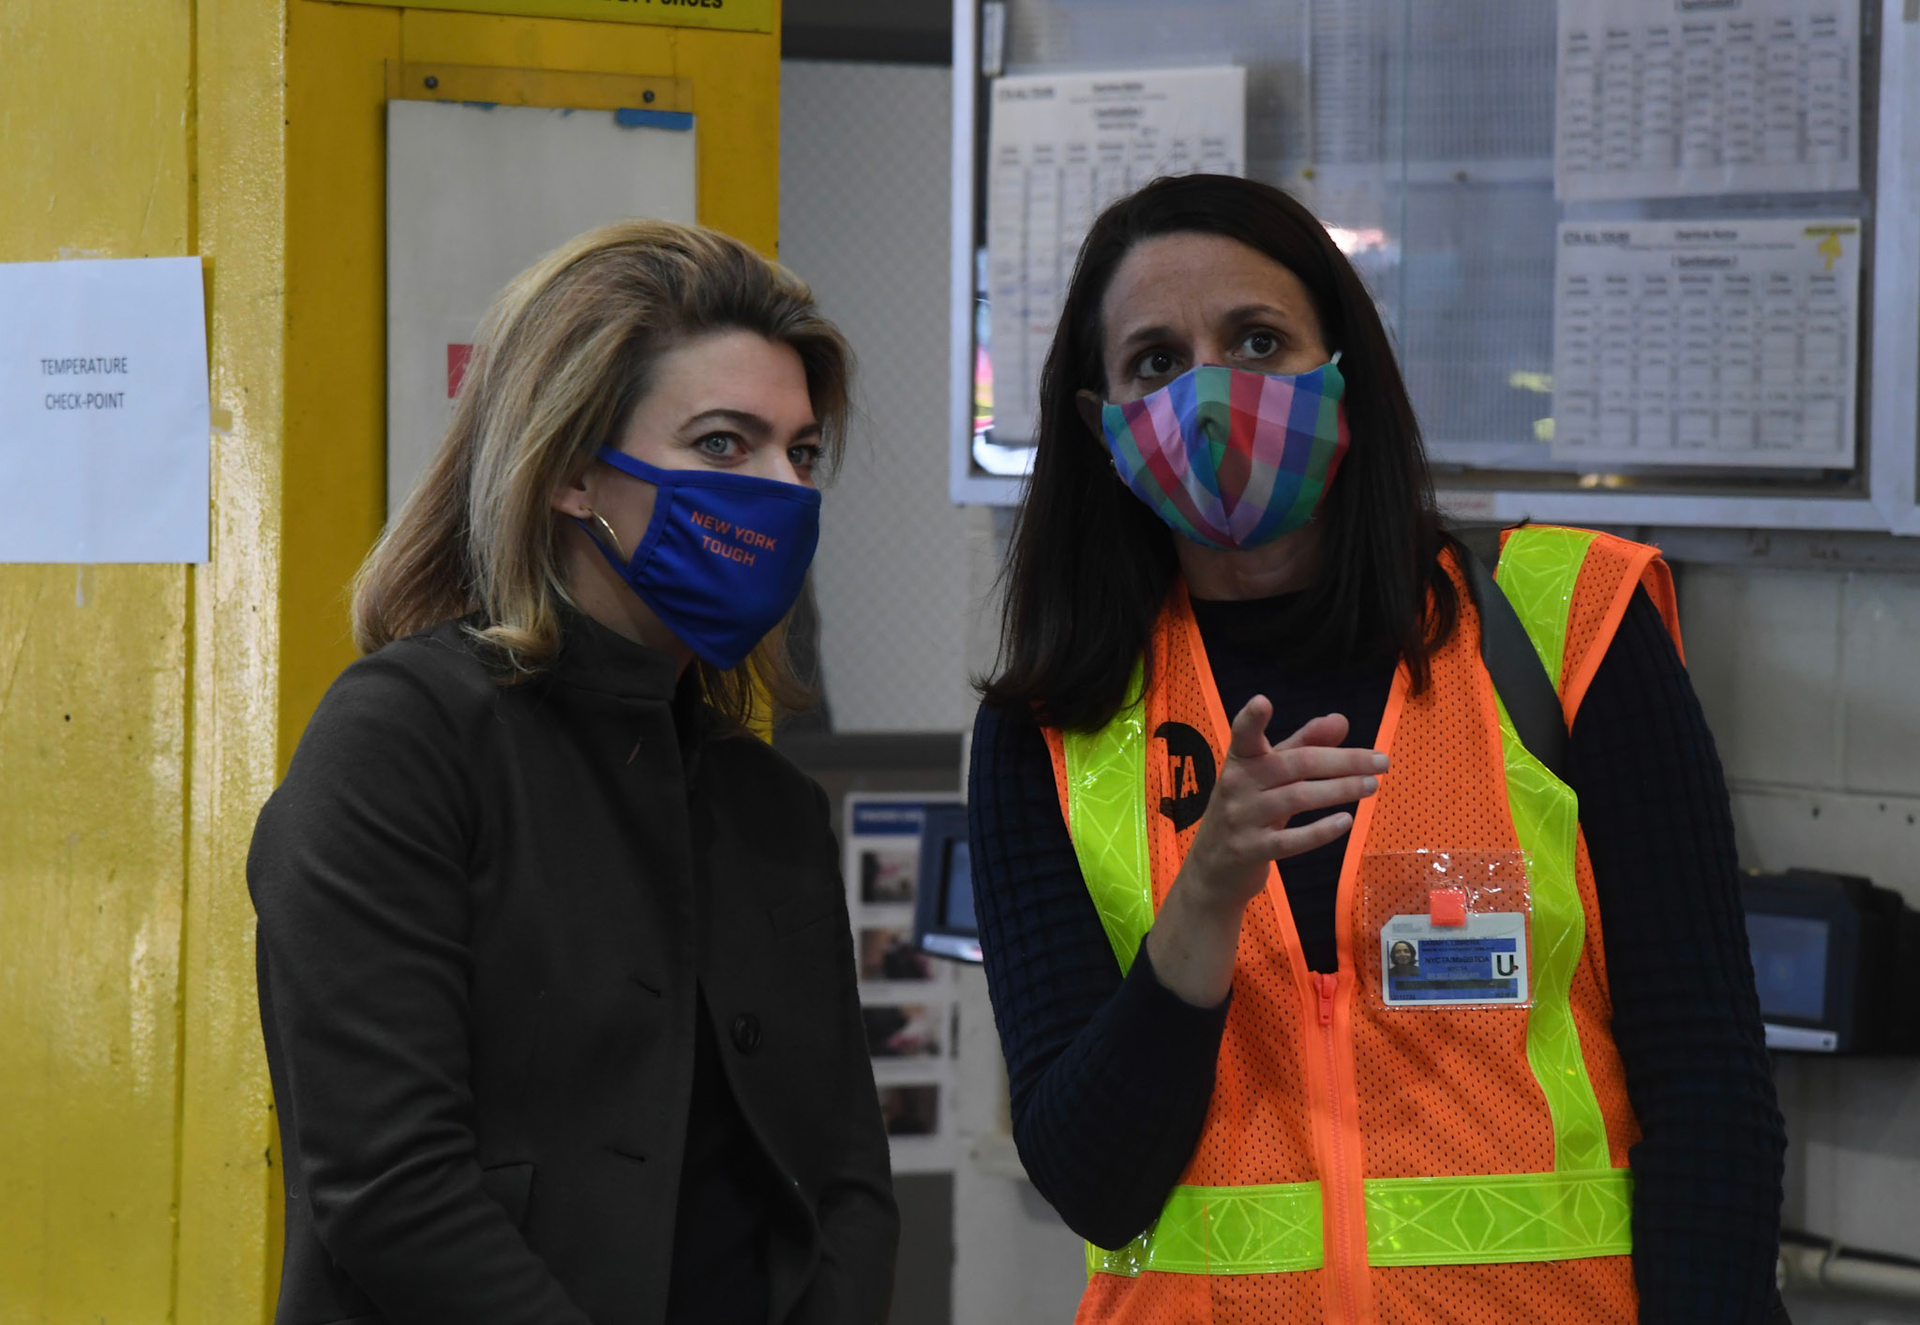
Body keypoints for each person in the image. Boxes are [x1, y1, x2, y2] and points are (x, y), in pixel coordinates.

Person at [969, 175, 1785, 1323]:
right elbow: (1095, 1183)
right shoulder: (1053, 723)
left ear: (1342, 374)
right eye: (1156, 361)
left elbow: (1711, 1094)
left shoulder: (1562, 628)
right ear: (1103, 424)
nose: (1211, 394)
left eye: (1258, 340)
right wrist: (1202, 903)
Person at [249, 220, 897, 1325]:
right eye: (726, 443)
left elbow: (842, 1181)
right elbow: (388, 1183)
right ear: (572, 471)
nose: (781, 492)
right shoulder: (402, 741)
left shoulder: (766, 804)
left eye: (799, 453)